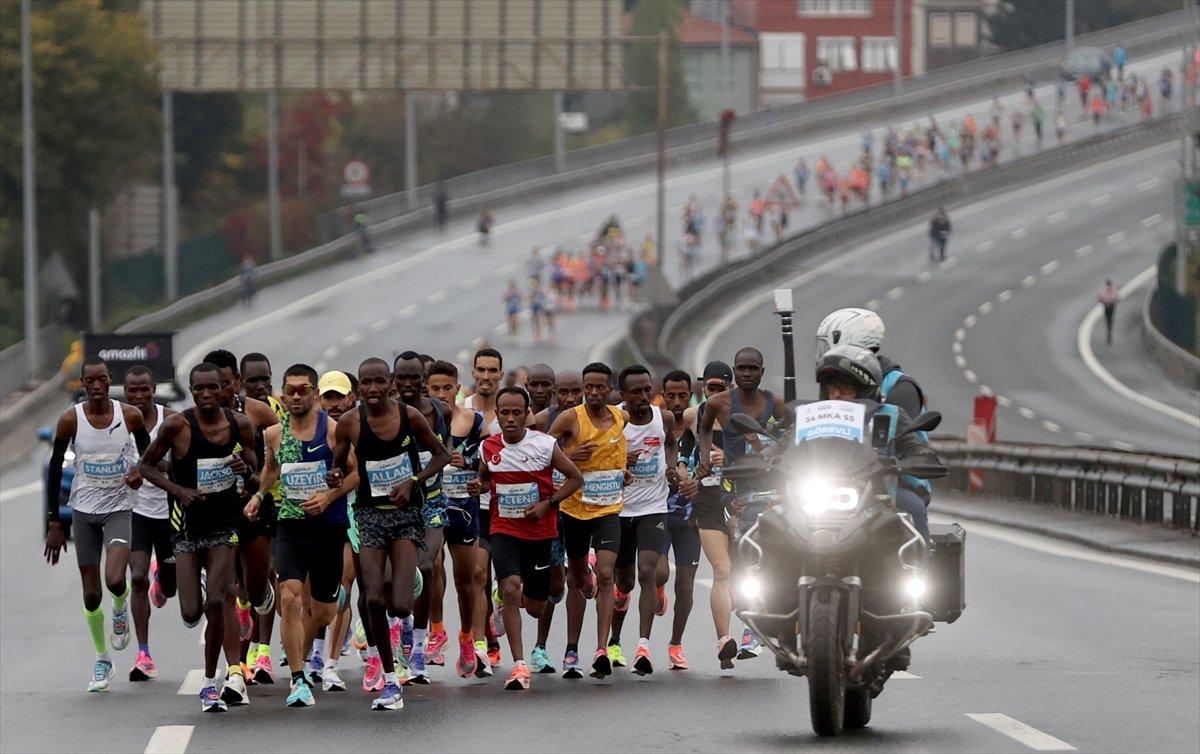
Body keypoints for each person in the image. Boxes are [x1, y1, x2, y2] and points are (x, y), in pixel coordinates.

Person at [327, 357, 448, 711]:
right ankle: (391, 679)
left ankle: (408, 597)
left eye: (380, 382)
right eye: (367, 384)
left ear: (390, 384)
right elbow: (337, 465)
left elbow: (441, 455)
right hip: (369, 515)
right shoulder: (350, 422)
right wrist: (334, 477)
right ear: (359, 388)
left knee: (399, 604)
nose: (374, 389)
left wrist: (413, 482)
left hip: (407, 516)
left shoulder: (410, 418)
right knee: (373, 599)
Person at [138, 362, 259, 712]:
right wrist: (178, 489)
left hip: (225, 523)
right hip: (187, 524)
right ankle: (179, 579)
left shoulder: (240, 425)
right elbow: (146, 466)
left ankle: (212, 682)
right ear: (191, 391)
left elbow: (254, 477)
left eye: (213, 389)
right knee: (191, 612)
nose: (207, 395)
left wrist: (245, 471)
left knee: (217, 602)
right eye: (199, 389)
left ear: (223, 390)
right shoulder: (177, 425)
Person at [246, 363, 358, 707]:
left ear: (314, 395)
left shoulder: (334, 431)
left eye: (303, 390)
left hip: (328, 527)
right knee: (290, 598)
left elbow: (356, 474)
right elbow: (271, 470)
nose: (296, 396)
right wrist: (259, 495)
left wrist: (327, 497)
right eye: (290, 390)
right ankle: (298, 679)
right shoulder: (274, 434)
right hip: (291, 525)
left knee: (322, 612)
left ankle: (322, 627)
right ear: (282, 393)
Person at [44, 357, 149, 693]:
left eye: (102, 379)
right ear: (82, 384)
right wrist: (53, 522)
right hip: (84, 511)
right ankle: (102, 658)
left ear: (109, 379)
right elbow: (56, 470)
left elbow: (151, 455)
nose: (98, 386)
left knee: (115, 578)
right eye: (91, 381)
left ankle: (120, 607)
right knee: (90, 593)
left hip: (118, 508)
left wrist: (138, 473)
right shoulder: (69, 421)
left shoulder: (129, 416)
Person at [471, 387, 583, 690]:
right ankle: (519, 666)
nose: (510, 419)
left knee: (535, 606)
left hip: (540, 534)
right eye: (504, 413)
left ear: (526, 413)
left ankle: (510, 604)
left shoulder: (545, 445)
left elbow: (576, 478)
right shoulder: (489, 447)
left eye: (516, 412)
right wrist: (478, 486)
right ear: (497, 414)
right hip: (504, 530)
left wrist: (549, 503)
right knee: (509, 587)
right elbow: (484, 478)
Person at [697, 348, 786, 664]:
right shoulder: (718, 403)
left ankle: (756, 626)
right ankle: (735, 631)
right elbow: (704, 428)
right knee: (740, 547)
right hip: (735, 489)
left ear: (762, 371)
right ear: (734, 371)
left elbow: (790, 436)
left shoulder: (775, 403)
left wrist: (779, 456)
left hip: (771, 488)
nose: (747, 374)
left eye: (753, 369)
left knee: (766, 554)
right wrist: (705, 458)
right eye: (741, 369)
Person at [815, 308, 933, 542]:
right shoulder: (831, 391)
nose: (838, 394)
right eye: (833, 388)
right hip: (829, 482)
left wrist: (917, 458)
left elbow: (901, 442)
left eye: (847, 388)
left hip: (886, 482)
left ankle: (922, 570)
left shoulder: (899, 390)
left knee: (913, 509)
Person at [204, 349, 280, 685]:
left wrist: (259, 482)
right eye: (212, 385)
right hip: (218, 513)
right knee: (226, 587)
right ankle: (237, 669)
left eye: (225, 383)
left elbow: (281, 453)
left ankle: (256, 602)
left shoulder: (259, 413)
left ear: (236, 381)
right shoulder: (196, 419)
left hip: (255, 506)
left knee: (257, 585)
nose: (219, 391)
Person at [548, 362, 628, 679]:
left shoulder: (619, 417)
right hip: (574, 510)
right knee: (578, 580)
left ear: (609, 389)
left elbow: (616, 451)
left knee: (607, 574)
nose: (593, 392)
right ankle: (571, 650)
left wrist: (624, 471)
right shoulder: (571, 417)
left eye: (599, 387)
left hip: (608, 509)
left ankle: (600, 649)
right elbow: (544, 447)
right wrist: (569, 453)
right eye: (588, 387)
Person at [607, 366, 678, 676]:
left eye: (648, 390)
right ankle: (614, 640)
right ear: (623, 395)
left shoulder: (664, 418)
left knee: (648, 571)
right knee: (624, 582)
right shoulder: (614, 421)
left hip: (653, 507)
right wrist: (621, 461)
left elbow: (671, 445)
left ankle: (644, 646)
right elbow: (598, 457)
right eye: (636, 392)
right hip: (619, 510)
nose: (644, 397)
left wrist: (673, 469)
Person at [426, 360, 490, 677]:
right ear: (427, 390)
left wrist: (468, 462)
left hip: (464, 510)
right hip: (431, 507)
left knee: (467, 581)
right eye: (435, 388)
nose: (441, 394)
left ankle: (467, 636)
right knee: (431, 566)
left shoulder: (475, 421)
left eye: (446, 388)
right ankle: (436, 630)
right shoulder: (417, 422)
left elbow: (490, 461)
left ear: (457, 388)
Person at [392, 351, 452, 684]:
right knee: (398, 574)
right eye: (401, 377)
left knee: (427, 566)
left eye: (414, 377)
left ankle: (417, 647)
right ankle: (397, 627)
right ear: (394, 380)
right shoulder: (386, 414)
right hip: (395, 507)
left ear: (423, 380)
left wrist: (419, 477)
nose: (408, 383)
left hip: (431, 503)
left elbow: (446, 453)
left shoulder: (439, 411)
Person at [123, 366, 177, 682]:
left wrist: (148, 467)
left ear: (154, 388)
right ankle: (144, 654)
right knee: (138, 577)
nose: (139, 395)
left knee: (168, 587)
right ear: (126, 391)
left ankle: (164, 579)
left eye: (144, 389)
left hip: (169, 514)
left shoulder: (171, 420)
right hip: (137, 513)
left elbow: (183, 459)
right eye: (133, 391)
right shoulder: (121, 424)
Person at [315, 370, 362, 689]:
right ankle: (319, 656)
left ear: (351, 398)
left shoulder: (363, 423)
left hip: (361, 512)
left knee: (354, 587)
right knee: (327, 590)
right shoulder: (313, 429)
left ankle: (331, 662)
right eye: (327, 397)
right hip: (324, 516)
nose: (333, 403)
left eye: (339, 397)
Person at [655, 370, 702, 670]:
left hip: (690, 518)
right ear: (662, 394)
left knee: (685, 585)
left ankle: (676, 644)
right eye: (670, 395)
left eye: (681, 395)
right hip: (658, 514)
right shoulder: (655, 428)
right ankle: (658, 589)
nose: (675, 401)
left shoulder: (700, 429)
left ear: (690, 396)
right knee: (660, 573)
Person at [463, 348, 505, 672]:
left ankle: (494, 620)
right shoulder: (462, 413)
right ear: (473, 373)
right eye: (481, 370)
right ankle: (480, 644)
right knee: (478, 572)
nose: (487, 376)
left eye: (493, 370)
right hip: (472, 507)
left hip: (506, 508)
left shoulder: (511, 412)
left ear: (501, 375)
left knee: (504, 582)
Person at [1099, 280, 1120, 344]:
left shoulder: (1108, 291)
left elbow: (1100, 299)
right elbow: (1117, 298)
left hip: (1109, 306)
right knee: (1109, 319)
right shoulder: (1109, 291)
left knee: (1109, 319)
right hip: (1109, 306)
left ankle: (1109, 330)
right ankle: (1109, 329)